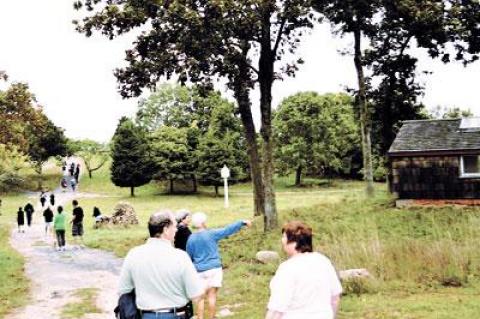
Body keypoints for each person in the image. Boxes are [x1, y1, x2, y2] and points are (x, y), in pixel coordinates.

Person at [118, 210, 205, 319]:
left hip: (146, 315)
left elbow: (123, 290)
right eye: (174, 226)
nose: (176, 229)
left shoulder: (133, 254)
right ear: (166, 230)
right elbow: (196, 294)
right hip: (176, 315)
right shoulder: (180, 257)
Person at [265, 221, 342, 319]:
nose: (282, 240)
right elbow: (335, 298)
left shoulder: (288, 268)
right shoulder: (323, 261)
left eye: (284, 237)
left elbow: (277, 309)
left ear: (293, 242)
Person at [186, 213, 251, 319]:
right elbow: (227, 230)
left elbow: (189, 256)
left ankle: (200, 317)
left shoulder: (191, 239)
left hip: (200, 271)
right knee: (212, 296)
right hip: (215, 269)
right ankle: (212, 317)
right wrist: (241, 223)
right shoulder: (211, 234)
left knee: (200, 298)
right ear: (203, 223)